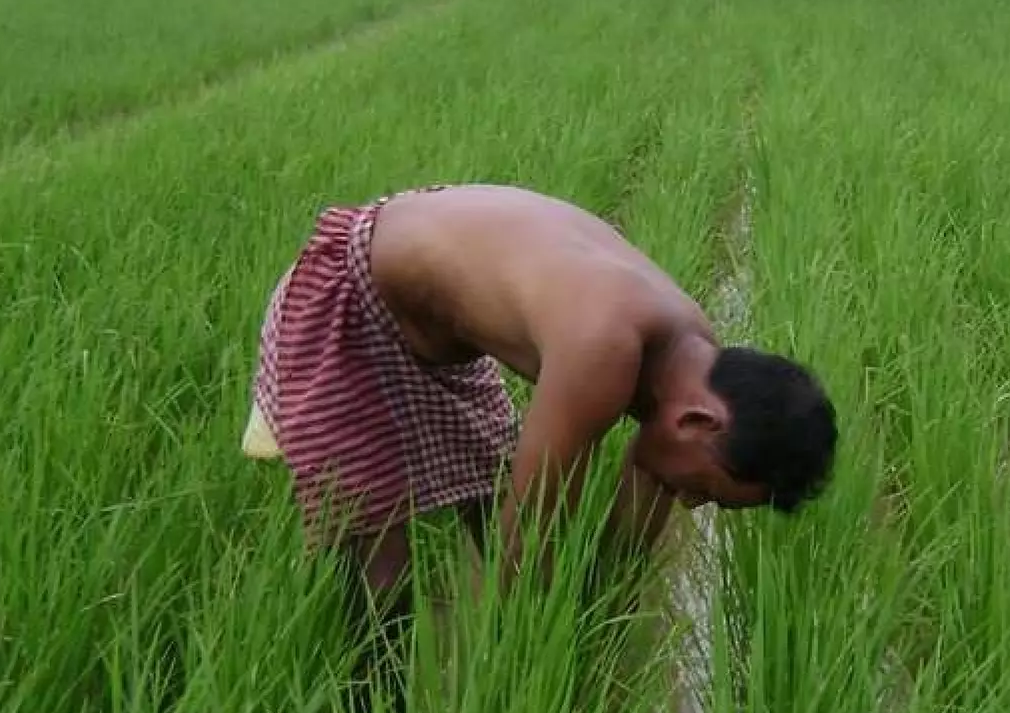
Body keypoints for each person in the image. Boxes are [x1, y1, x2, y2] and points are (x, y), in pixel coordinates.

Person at [242, 183, 837, 603]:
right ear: (698, 424)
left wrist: (594, 622)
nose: (690, 505)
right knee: (378, 565)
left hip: (444, 334)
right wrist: (515, 679)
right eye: (705, 491)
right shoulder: (603, 347)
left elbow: (623, 549)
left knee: (489, 491)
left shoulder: (691, 364)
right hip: (349, 297)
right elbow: (526, 536)